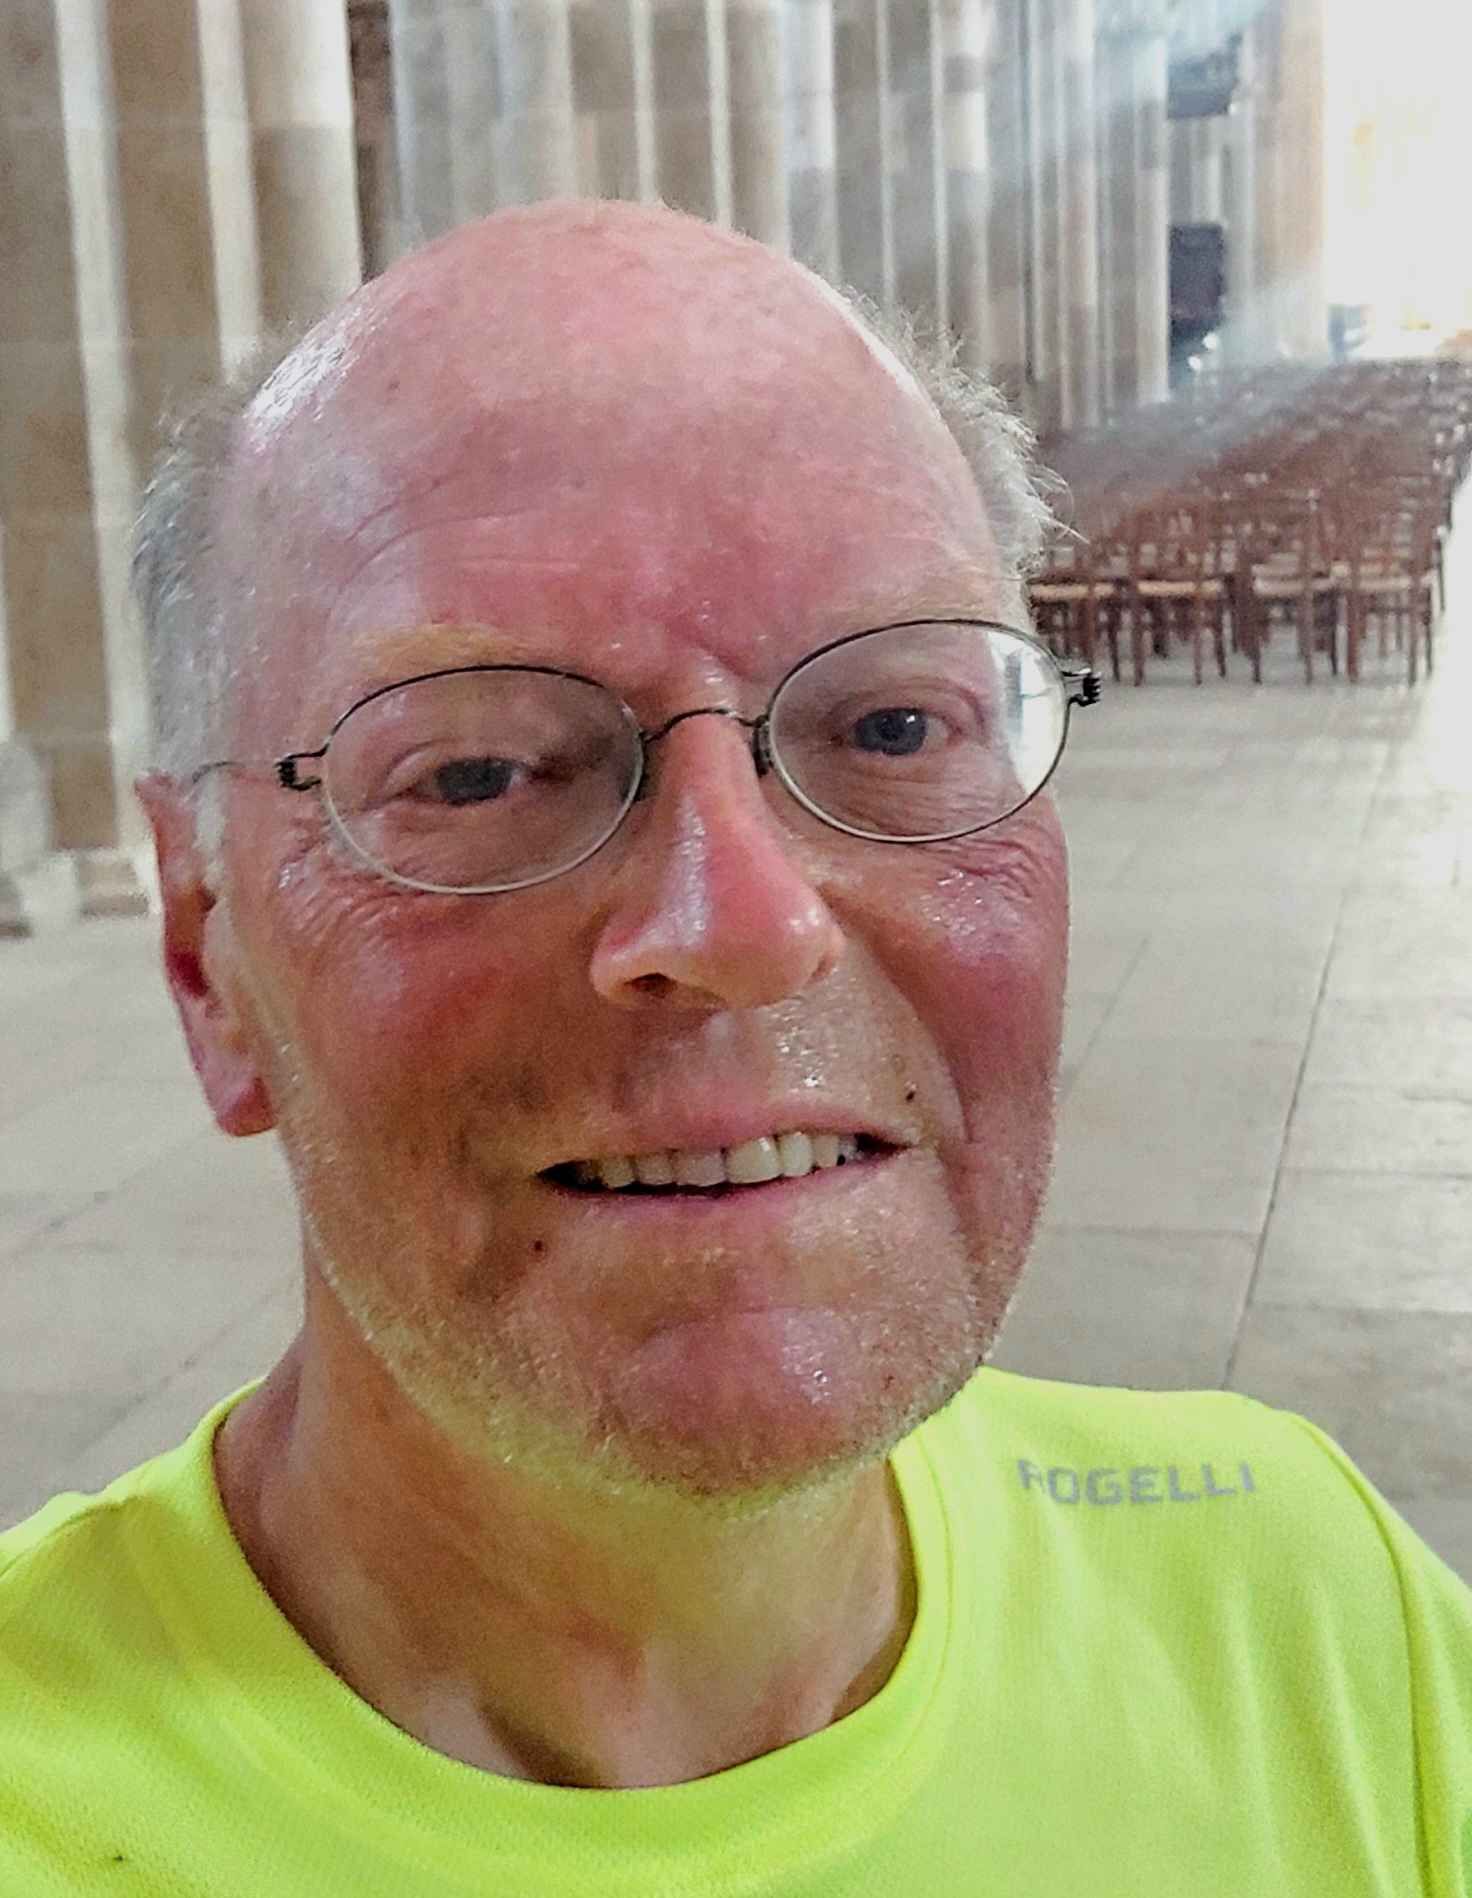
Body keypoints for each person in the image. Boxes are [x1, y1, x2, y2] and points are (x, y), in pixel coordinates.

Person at [2, 199, 1470, 1895]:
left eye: (896, 724)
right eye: (476, 770)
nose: (746, 922)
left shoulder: (1310, 1617)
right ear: (208, 959)